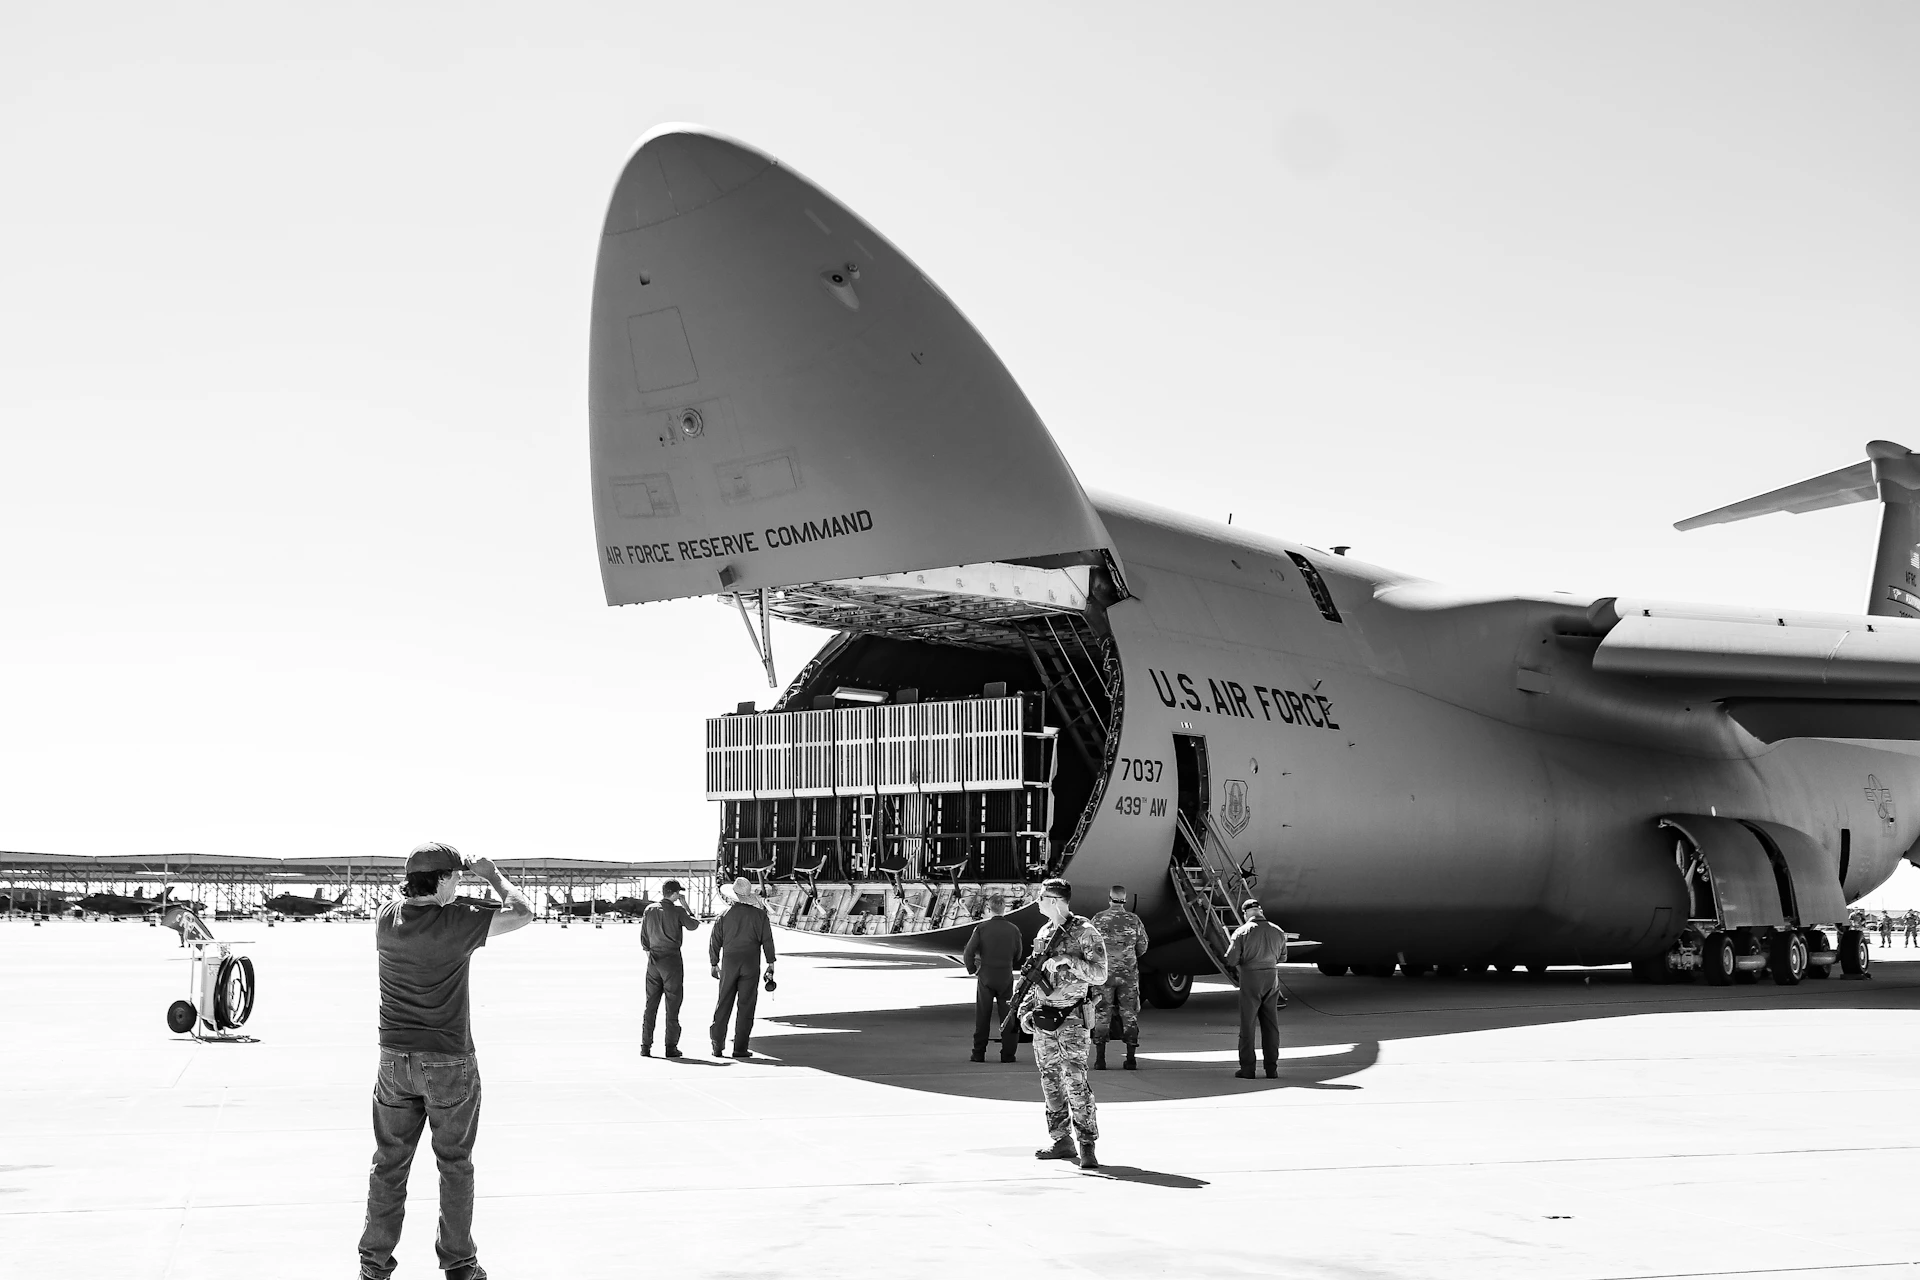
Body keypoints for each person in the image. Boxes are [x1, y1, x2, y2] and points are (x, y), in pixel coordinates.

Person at [358, 841, 534, 1280]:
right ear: (440, 880)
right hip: (448, 1061)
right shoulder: (457, 922)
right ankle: (459, 1264)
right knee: (454, 1164)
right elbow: (522, 912)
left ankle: (374, 1266)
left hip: (394, 1061)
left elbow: (413, 898)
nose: (459, 883)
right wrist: (491, 876)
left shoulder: (386, 918)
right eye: (455, 876)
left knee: (388, 1164)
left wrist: (448, 887)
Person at [1020, 878, 1108, 1170]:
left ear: (1055, 901)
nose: (1038, 902)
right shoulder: (1044, 932)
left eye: (1042, 897)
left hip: (1071, 1018)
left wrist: (1068, 961)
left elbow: (1100, 975)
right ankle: (1061, 1140)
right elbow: (1032, 976)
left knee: (1075, 1082)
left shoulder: (1085, 933)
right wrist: (1024, 1011)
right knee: (1050, 1081)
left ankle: (1087, 1143)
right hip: (1045, 1018)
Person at [708, 876, 776, 1059]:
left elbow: (714, 942)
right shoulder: (760, 916)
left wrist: (714, 963)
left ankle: (717, 1045)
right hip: (751, 964)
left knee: (723, 1004)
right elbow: (767, 941)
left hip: (729, 964)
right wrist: (771, 963)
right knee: (746, 1006)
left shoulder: (723, 916)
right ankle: (740, 1048)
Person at [1223, 897, 1288, 1080]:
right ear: (1261, 911)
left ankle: (1248, 1069)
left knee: (1248, 1026)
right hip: (1271, 979)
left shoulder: (1242, 932)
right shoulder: (1278, 931)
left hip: (1251, 978)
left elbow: (1231, 960)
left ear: (1245, 914)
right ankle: (1271, 1069)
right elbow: (1282, 958)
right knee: (1271, 1026)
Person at [1088, 885, 1149, 1071]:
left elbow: (1089, 946)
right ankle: (1131, 1059)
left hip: (1104, 975)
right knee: (1129, 1013)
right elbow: (1143, 946)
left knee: (1101, 1012)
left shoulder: (1098, 919)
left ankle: (1100, 1060)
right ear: (1125, 900)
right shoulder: (1133, 920)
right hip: (1127, 975)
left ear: (1109, 898)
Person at [962, 893, 1026, 1063]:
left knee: (983, 1016)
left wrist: (972, 969)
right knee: (1008, 1015)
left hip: (986, 975)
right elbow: (1018, 954)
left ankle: (978, 1053)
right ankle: (1008, 1054)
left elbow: (968, 952)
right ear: (1005, 908)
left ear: (988, 909)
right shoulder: (1014, 929)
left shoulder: (981, 929)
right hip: (1005, 975)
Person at [640, 879, 701, 1057]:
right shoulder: (678, 910)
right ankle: (670, 1047)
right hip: (672, 960)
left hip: (653, 960)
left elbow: (644, 939)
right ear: (674, 894)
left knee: (650, 1005)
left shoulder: (649, 909)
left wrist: (651, 956)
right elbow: (694, 925)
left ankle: (645, 1046)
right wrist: (686, 906)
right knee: (672, 1005)